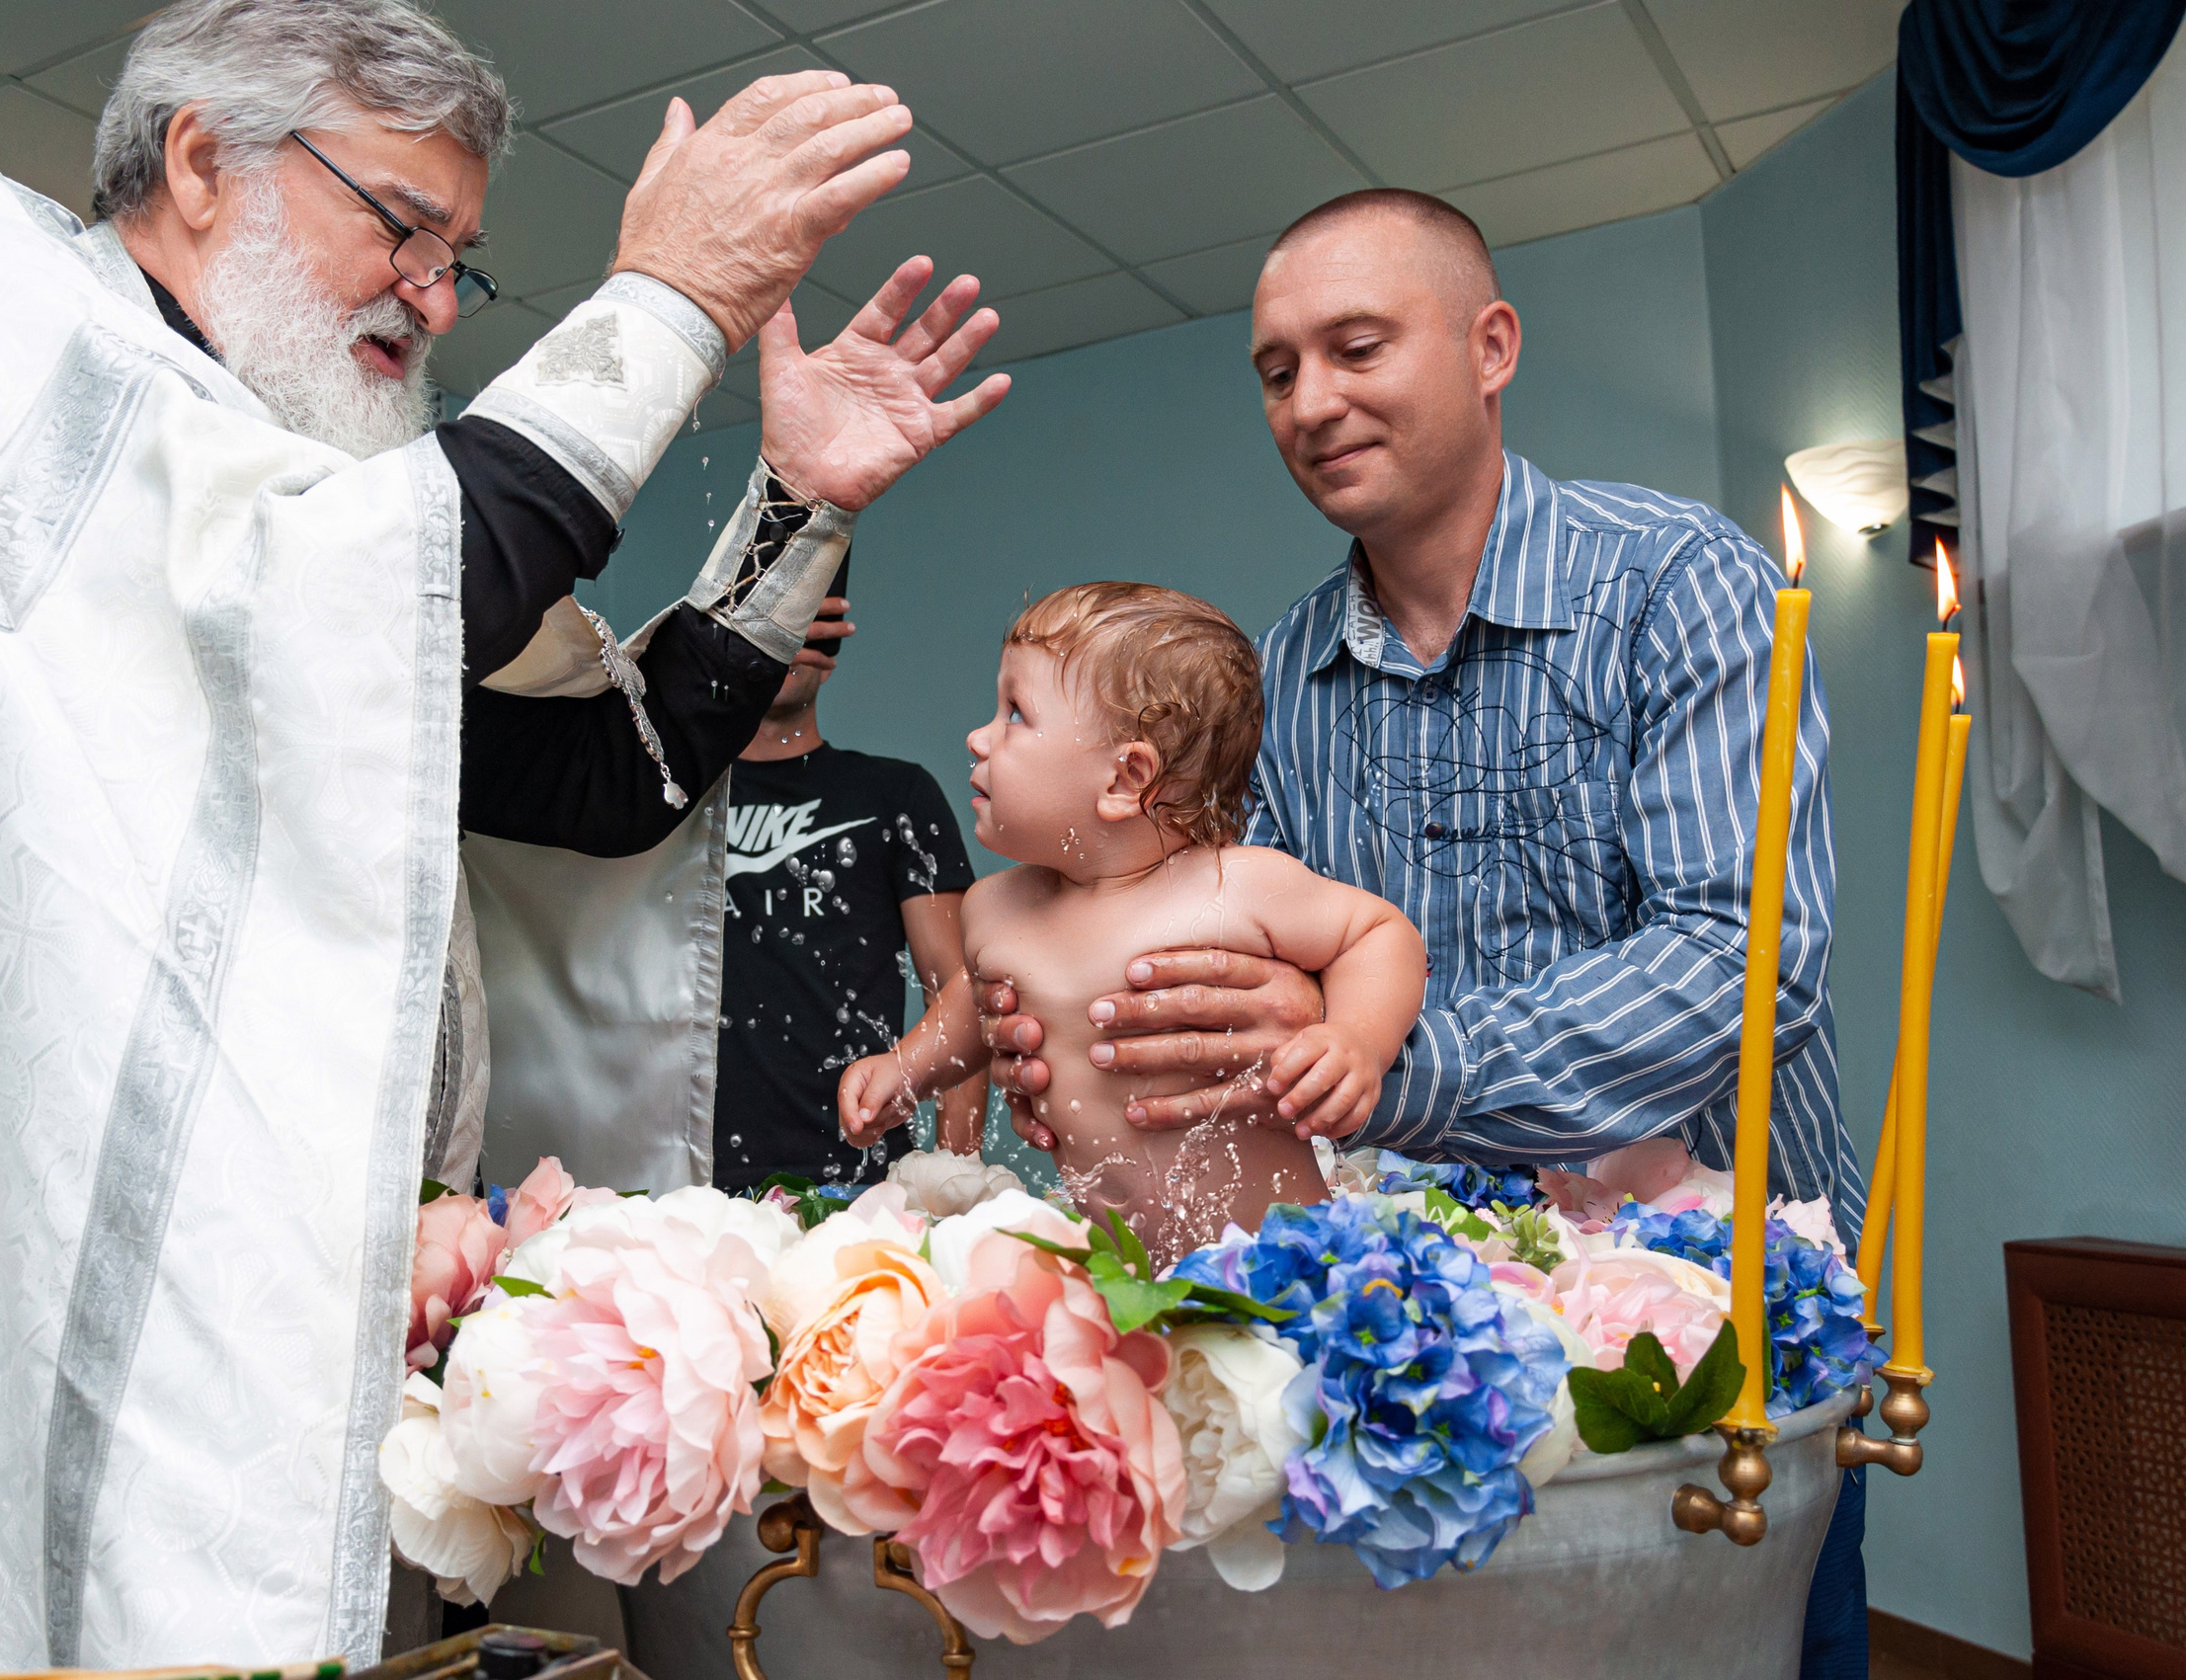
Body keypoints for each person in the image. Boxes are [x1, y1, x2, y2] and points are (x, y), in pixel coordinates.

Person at [0, 1, 1009, 1670]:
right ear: (203, 157)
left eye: (462, 256)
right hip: (47, 1311)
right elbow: (399, 593)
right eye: (401, 224)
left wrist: (798, 502)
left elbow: (603, 774)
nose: (434, 294)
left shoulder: (301, 510)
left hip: (331, 1329)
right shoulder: (9, 335)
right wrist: (671, 297)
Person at [978, 190, 1863, 1675]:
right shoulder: (1284, 677)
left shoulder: (1680, 583)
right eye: (1276, 369)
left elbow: (1744, 955)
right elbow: (1239, 993)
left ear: (1491, 345)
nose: (1312, 402)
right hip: (1423, 1362)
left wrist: (1404, 1064)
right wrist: (1085, 1042)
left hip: (1700, 1330)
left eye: (1357, 347)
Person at [841, 583, 1424, 1255]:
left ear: (1125, 778)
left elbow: (1379, 935)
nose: (979, 736)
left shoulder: (1237, 886)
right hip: (1123, 1270)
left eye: (1016, 715)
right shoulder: (995, 908)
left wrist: (1356, 1038)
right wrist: (906, 1068)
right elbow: (980, 1004)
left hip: (1282, 1257)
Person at [713, 561, 988, 1192]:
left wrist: (952, 1183)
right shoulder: (663, 802)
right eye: (766, 615)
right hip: (683, 1178)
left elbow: (962, 993)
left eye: (807, 611)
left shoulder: (895, 795)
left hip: (858, 1181)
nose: (787, 634)